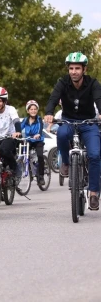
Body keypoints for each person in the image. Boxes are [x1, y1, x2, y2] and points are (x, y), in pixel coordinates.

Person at [44, 51, 101, 211]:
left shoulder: (93, 83)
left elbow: (99, 98)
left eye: (77, 68)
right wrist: (49, 112)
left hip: (89, 123)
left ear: (84, 69)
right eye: (71, 68)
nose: (74, 71)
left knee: (95, 155)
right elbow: (53, 98)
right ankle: (67, 164)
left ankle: (94, 192)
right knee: (61, 134)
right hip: (68, 121)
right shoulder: (63, 82)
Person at [0, 87, 22, 176]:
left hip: (9, 137)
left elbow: (16, 120)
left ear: (4, 101)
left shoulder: (10, 109)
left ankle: (15, 167)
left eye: (0, 101)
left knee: (3, 150)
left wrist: (18, 132)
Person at [21, 100, 45, 185]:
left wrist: (38, 134)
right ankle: (27, 169)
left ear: (37, 110)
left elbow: (40, 128)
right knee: (22, 154)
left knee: (40, 155)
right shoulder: (25, 120)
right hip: (29, 140)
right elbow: (19, 128)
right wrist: (16, 133)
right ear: (28, 111)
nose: (33, 111)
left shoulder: (39, 119)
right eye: (31, 109)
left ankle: (41, 175)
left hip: (38, 140)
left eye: (35, 109)